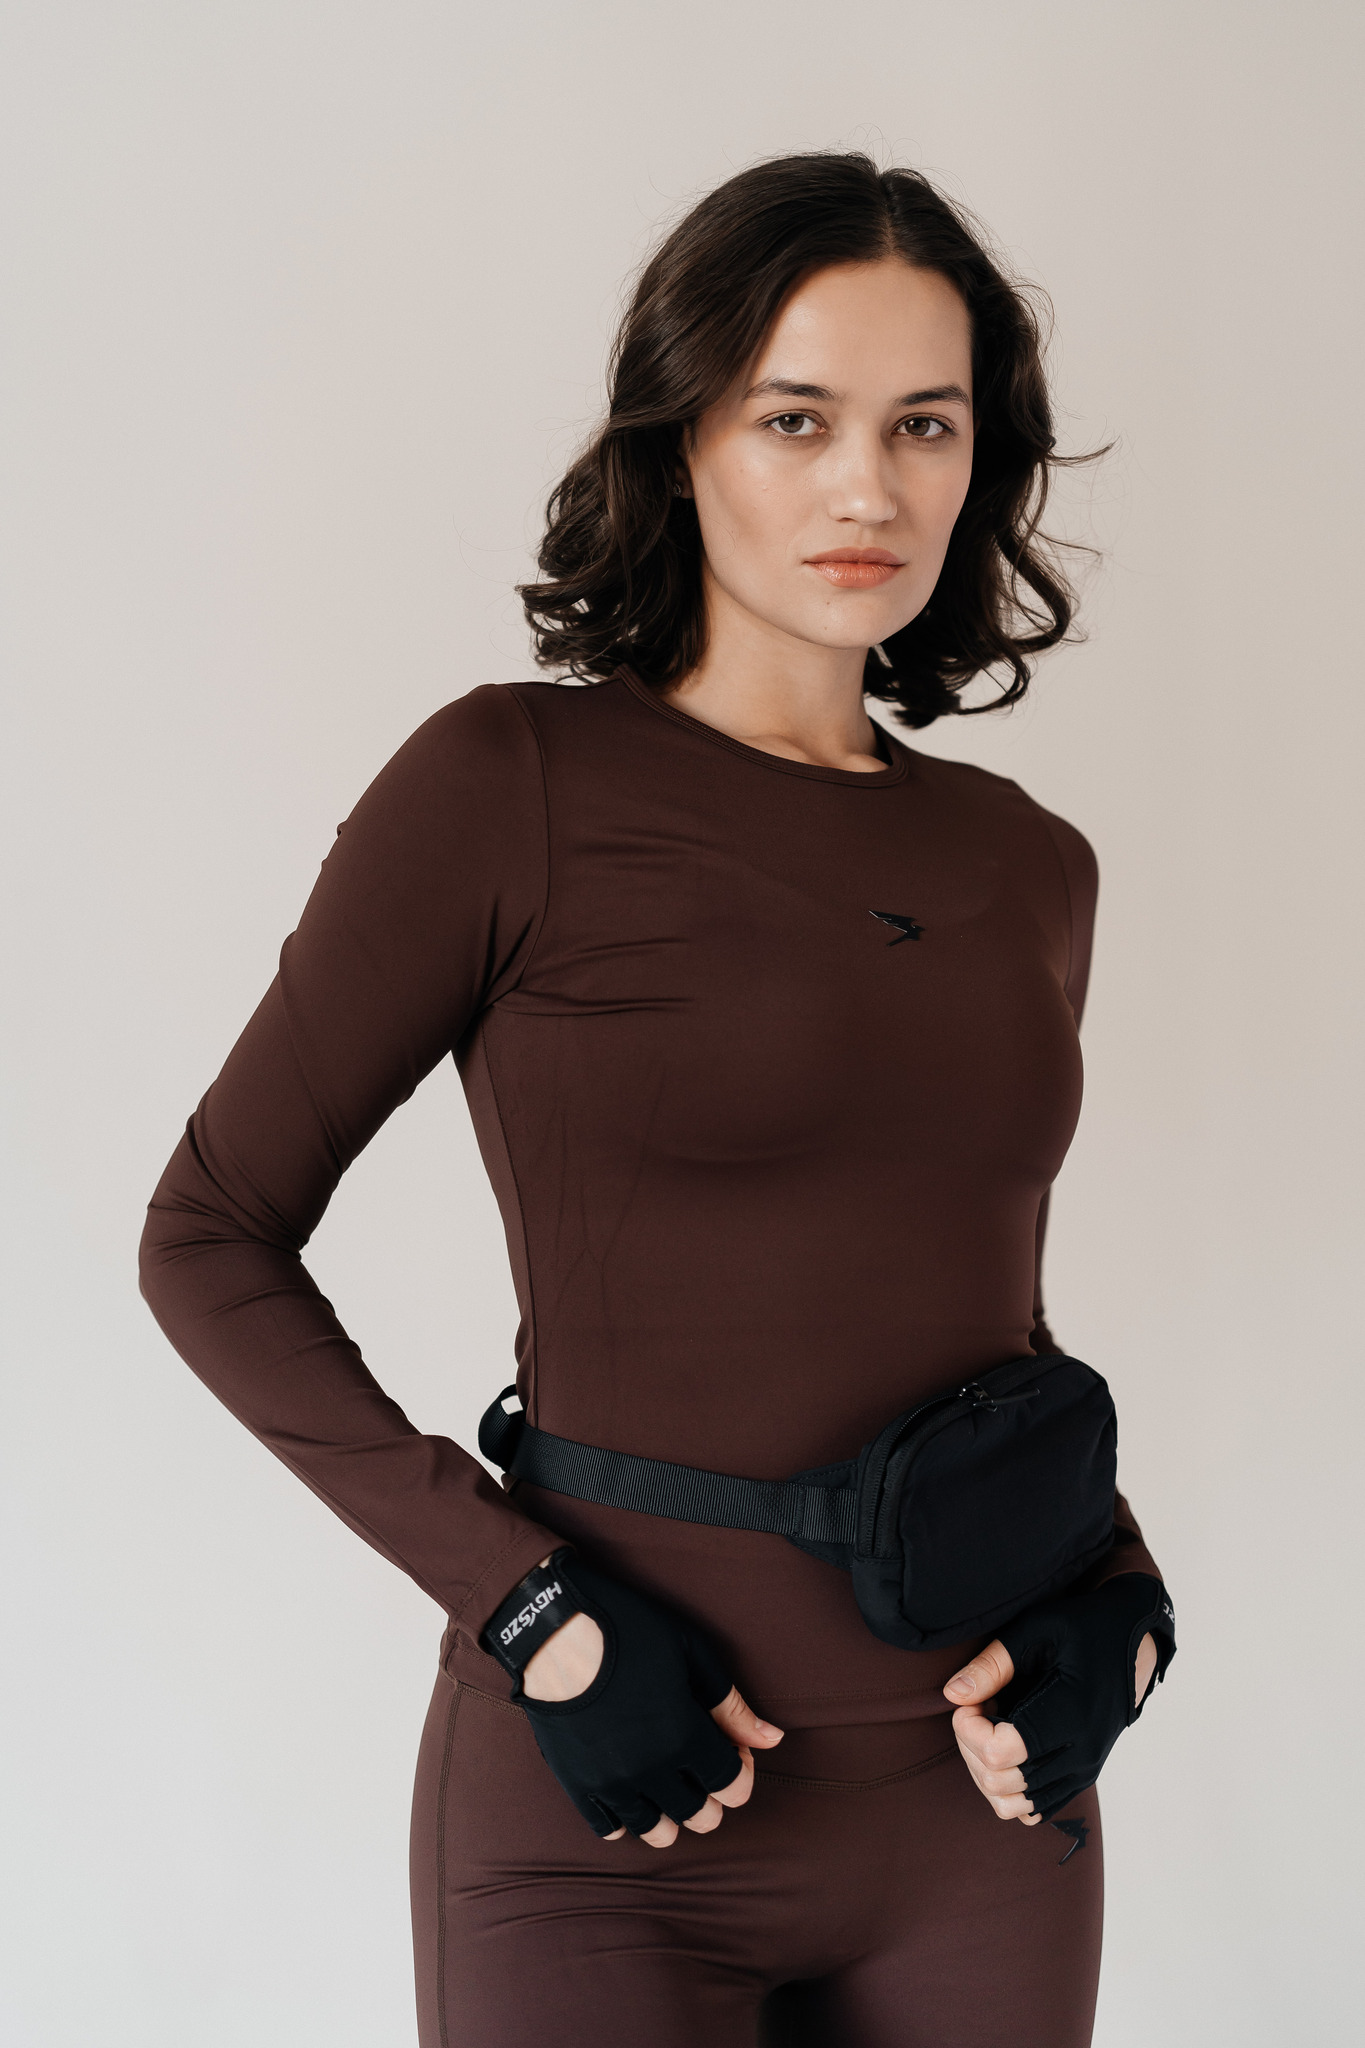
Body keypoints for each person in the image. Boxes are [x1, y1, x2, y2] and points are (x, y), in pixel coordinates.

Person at [139, 152, 1175, 2047]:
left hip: (983, 1829)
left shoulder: (1032, 864)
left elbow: (979, 1321)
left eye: (923, 425)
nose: (867, 489)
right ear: (680, 436)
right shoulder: (510, 783)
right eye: (797, 417)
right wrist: (527, 1611)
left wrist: (1124, 1598)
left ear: (981, 460)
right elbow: (208, 1237)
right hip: (609, 1821)